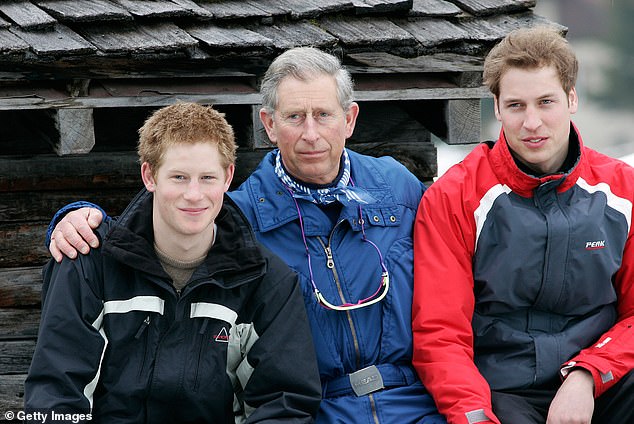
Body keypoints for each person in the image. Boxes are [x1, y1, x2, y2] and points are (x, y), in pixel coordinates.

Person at [45, 47, 446, 423]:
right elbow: (164, 221)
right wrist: (81, 216)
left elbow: (462, 235)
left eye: (323, 114)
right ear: (268, 124)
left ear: (350, 119)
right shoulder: (240, 218)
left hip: (413, 401)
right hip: (321, 408)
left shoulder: (397, 187)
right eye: (294, 117)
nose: (310, 133)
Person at [25, 102, 322, 423]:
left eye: (207, 177)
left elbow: (283, 405)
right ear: (149, 175)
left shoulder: (267, 282)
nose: (194, 195)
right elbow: (54, 396)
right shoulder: (88, 262)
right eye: (179, 177)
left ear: (228, 177)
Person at [411, 26, 634, 424]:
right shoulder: (453, 197)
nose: (532, 122)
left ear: (571, 99)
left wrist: (586, 376)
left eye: (545, 102)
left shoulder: (621, 190)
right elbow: (441, 333)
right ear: (496, 108)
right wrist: (474, 416)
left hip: (602, 376)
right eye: (516, 106)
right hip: (501, 389)